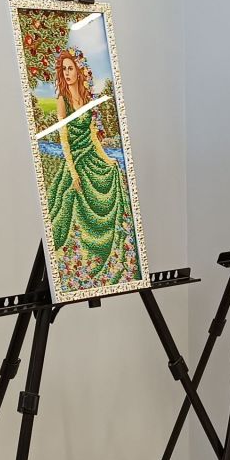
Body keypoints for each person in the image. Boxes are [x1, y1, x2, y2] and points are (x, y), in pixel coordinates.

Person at [46, 47, 141, 289]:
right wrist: (73, 171)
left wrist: (108, 159)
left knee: (113, 176)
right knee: (71, 205)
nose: (67, 73)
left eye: (71, 68)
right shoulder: (62, 100)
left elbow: (93, 137)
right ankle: (78, 265)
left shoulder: (87, 99)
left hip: (92, 157)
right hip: (75, 162)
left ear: (79, 71)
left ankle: (114, 258)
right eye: (64, 69)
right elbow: (64, 138)